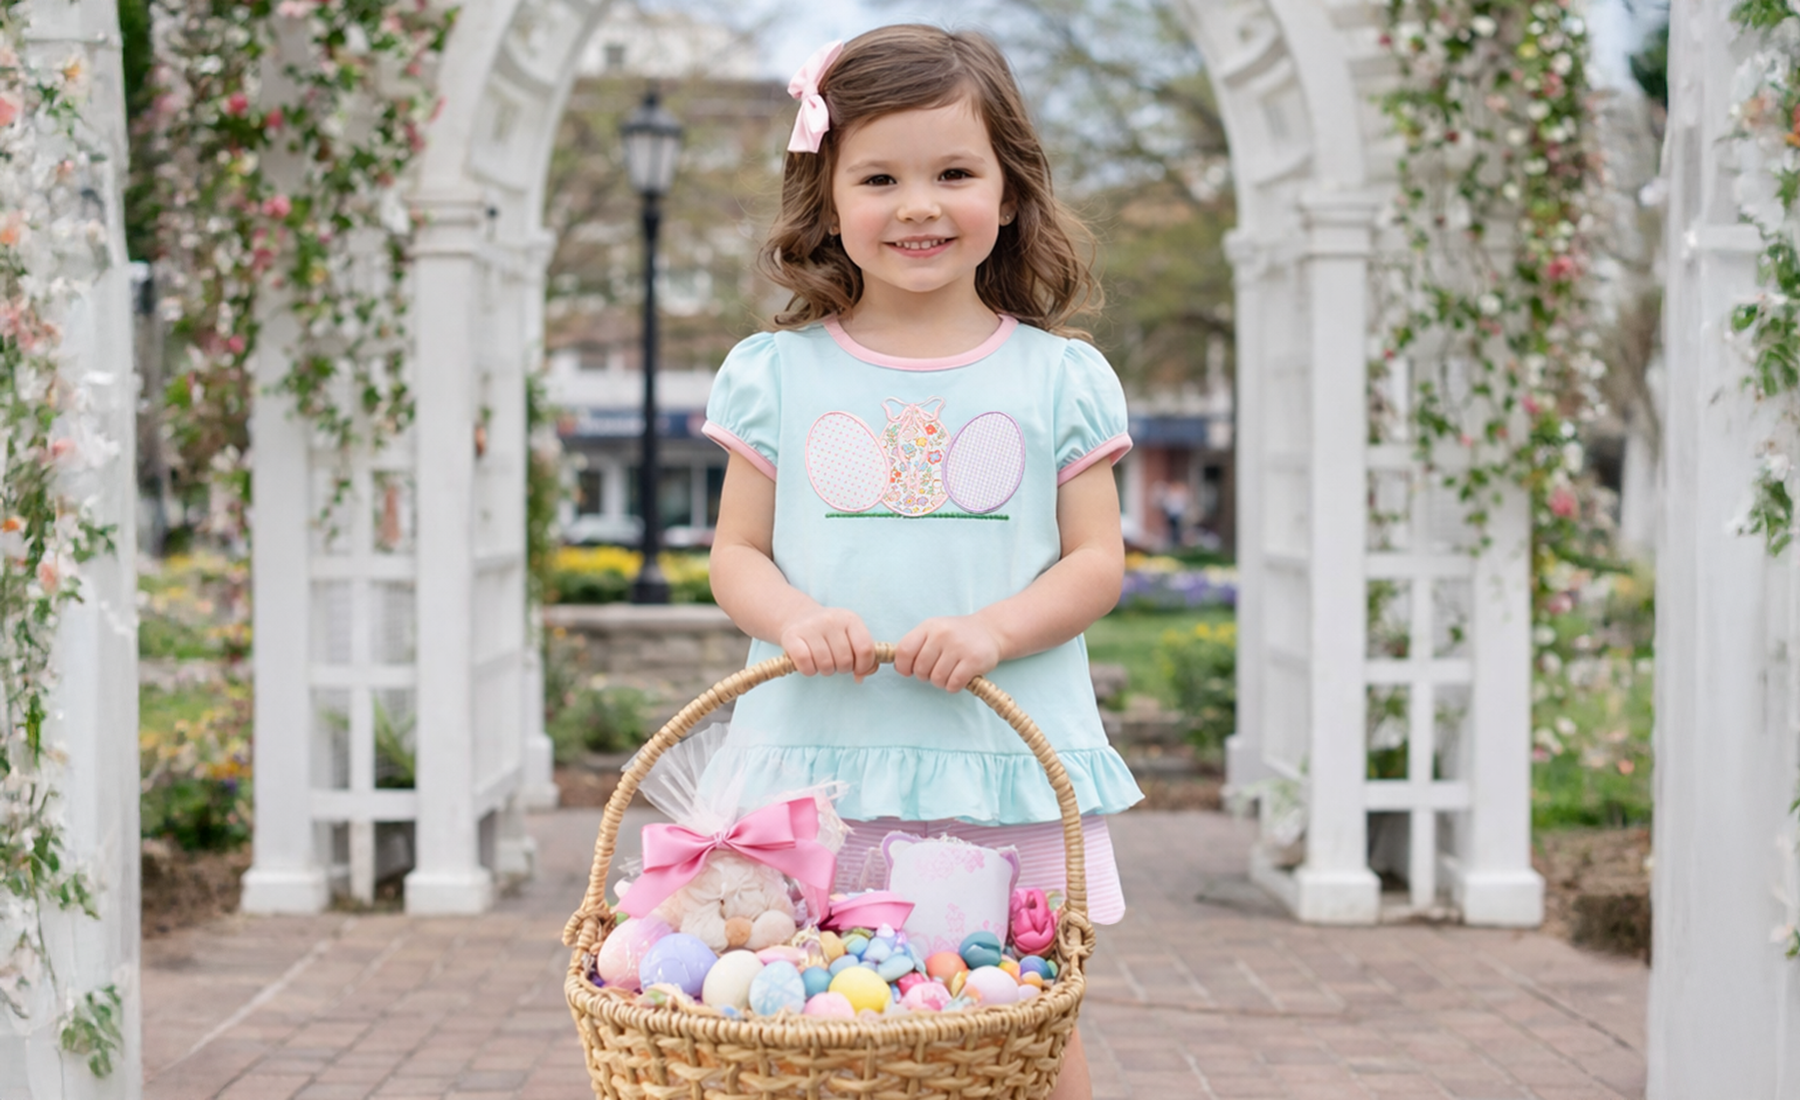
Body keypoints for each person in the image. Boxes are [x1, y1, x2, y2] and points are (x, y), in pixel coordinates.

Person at [700, 26, 1141, 1097]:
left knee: (1023, 1013)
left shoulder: (1057, 378)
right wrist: (796, 614)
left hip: (997, 759)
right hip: (816, 762)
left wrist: (996, 628)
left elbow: (1096, 561)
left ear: (1008, 188)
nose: (918, 205)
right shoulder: (778, 373)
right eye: (880, 176)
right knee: (807, 1016)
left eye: (954, 172)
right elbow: (735, 554)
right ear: (829, 194)